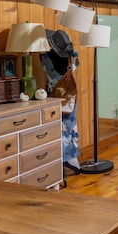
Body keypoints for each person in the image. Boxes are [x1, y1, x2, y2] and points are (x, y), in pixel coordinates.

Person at [40, 30, 80, 173]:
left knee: (59, 129)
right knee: (70, 126)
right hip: (70, 97)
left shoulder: (45, 57)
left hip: (54, 97)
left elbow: (51, 76)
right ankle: (71, 157)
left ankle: (62, 159)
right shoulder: (73, 57)